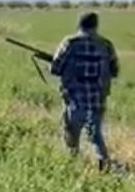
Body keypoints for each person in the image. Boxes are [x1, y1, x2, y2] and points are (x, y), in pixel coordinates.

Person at [50, 12, 119, 171]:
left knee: (71, 139)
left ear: (79, 25)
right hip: (97, 100)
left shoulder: (70, 43)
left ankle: (72, 169)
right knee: (95, 136)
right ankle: (104, 164)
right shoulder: (106, 45)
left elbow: (55, 68)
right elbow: (114, 71)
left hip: (75, 99)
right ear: (96, 25)